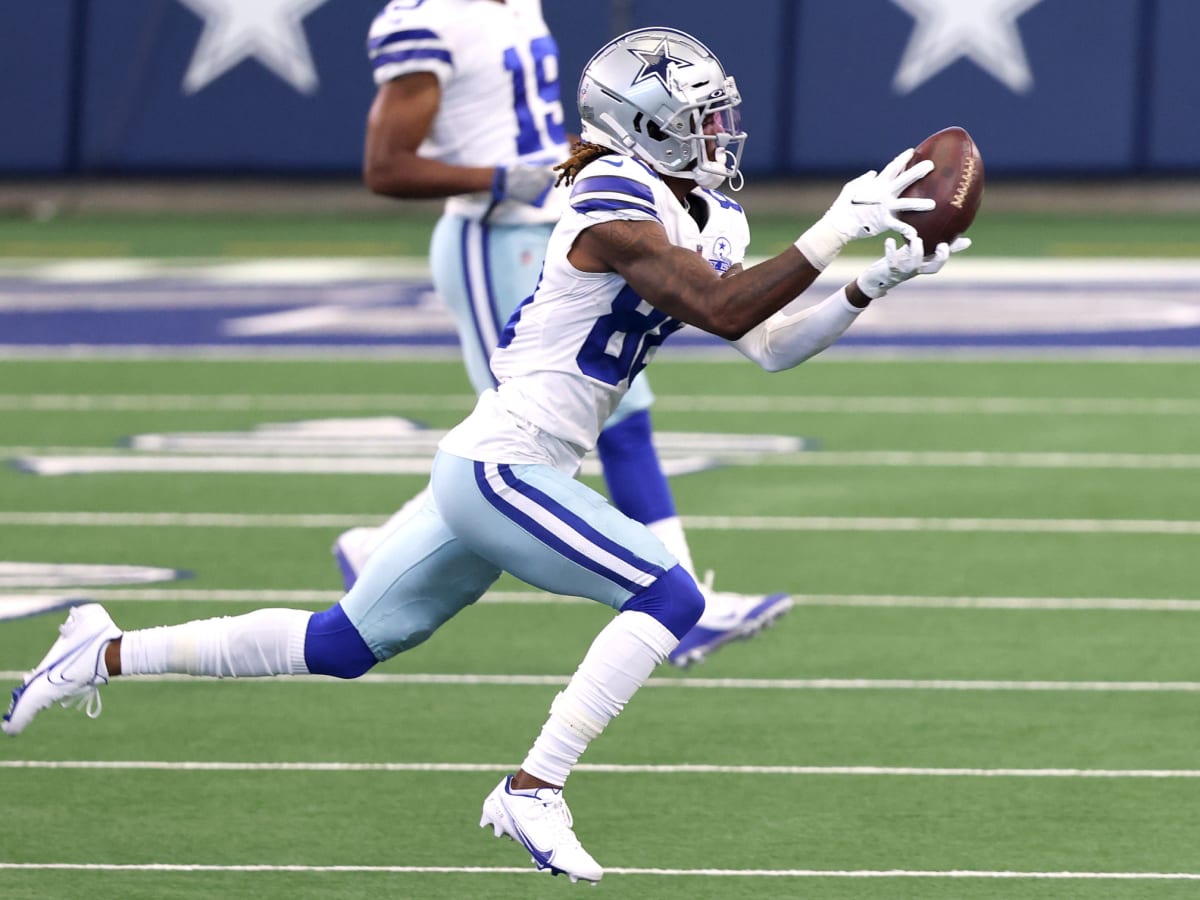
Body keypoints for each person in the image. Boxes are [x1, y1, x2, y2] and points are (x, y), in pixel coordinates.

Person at [3, 27, 968, 884]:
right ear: (645, 125)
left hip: (507, 466)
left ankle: (101, 648)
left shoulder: (715, 219)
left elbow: (762, 342)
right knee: (671, 595)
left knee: (338, 644)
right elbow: (721, 307)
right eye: (701, 119)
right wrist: (836, 228)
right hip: (505, 468)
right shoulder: (609, 188)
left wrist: (874, 279)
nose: (721, 136)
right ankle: (532, 786)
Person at [342, 0, 792, 667]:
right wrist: (498, 179)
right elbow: (386, 166)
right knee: (522, 429)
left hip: (546, 226)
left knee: (615, 414)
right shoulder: (428, 18)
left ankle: (377, 548)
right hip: (489, 234)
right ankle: (682, 597)